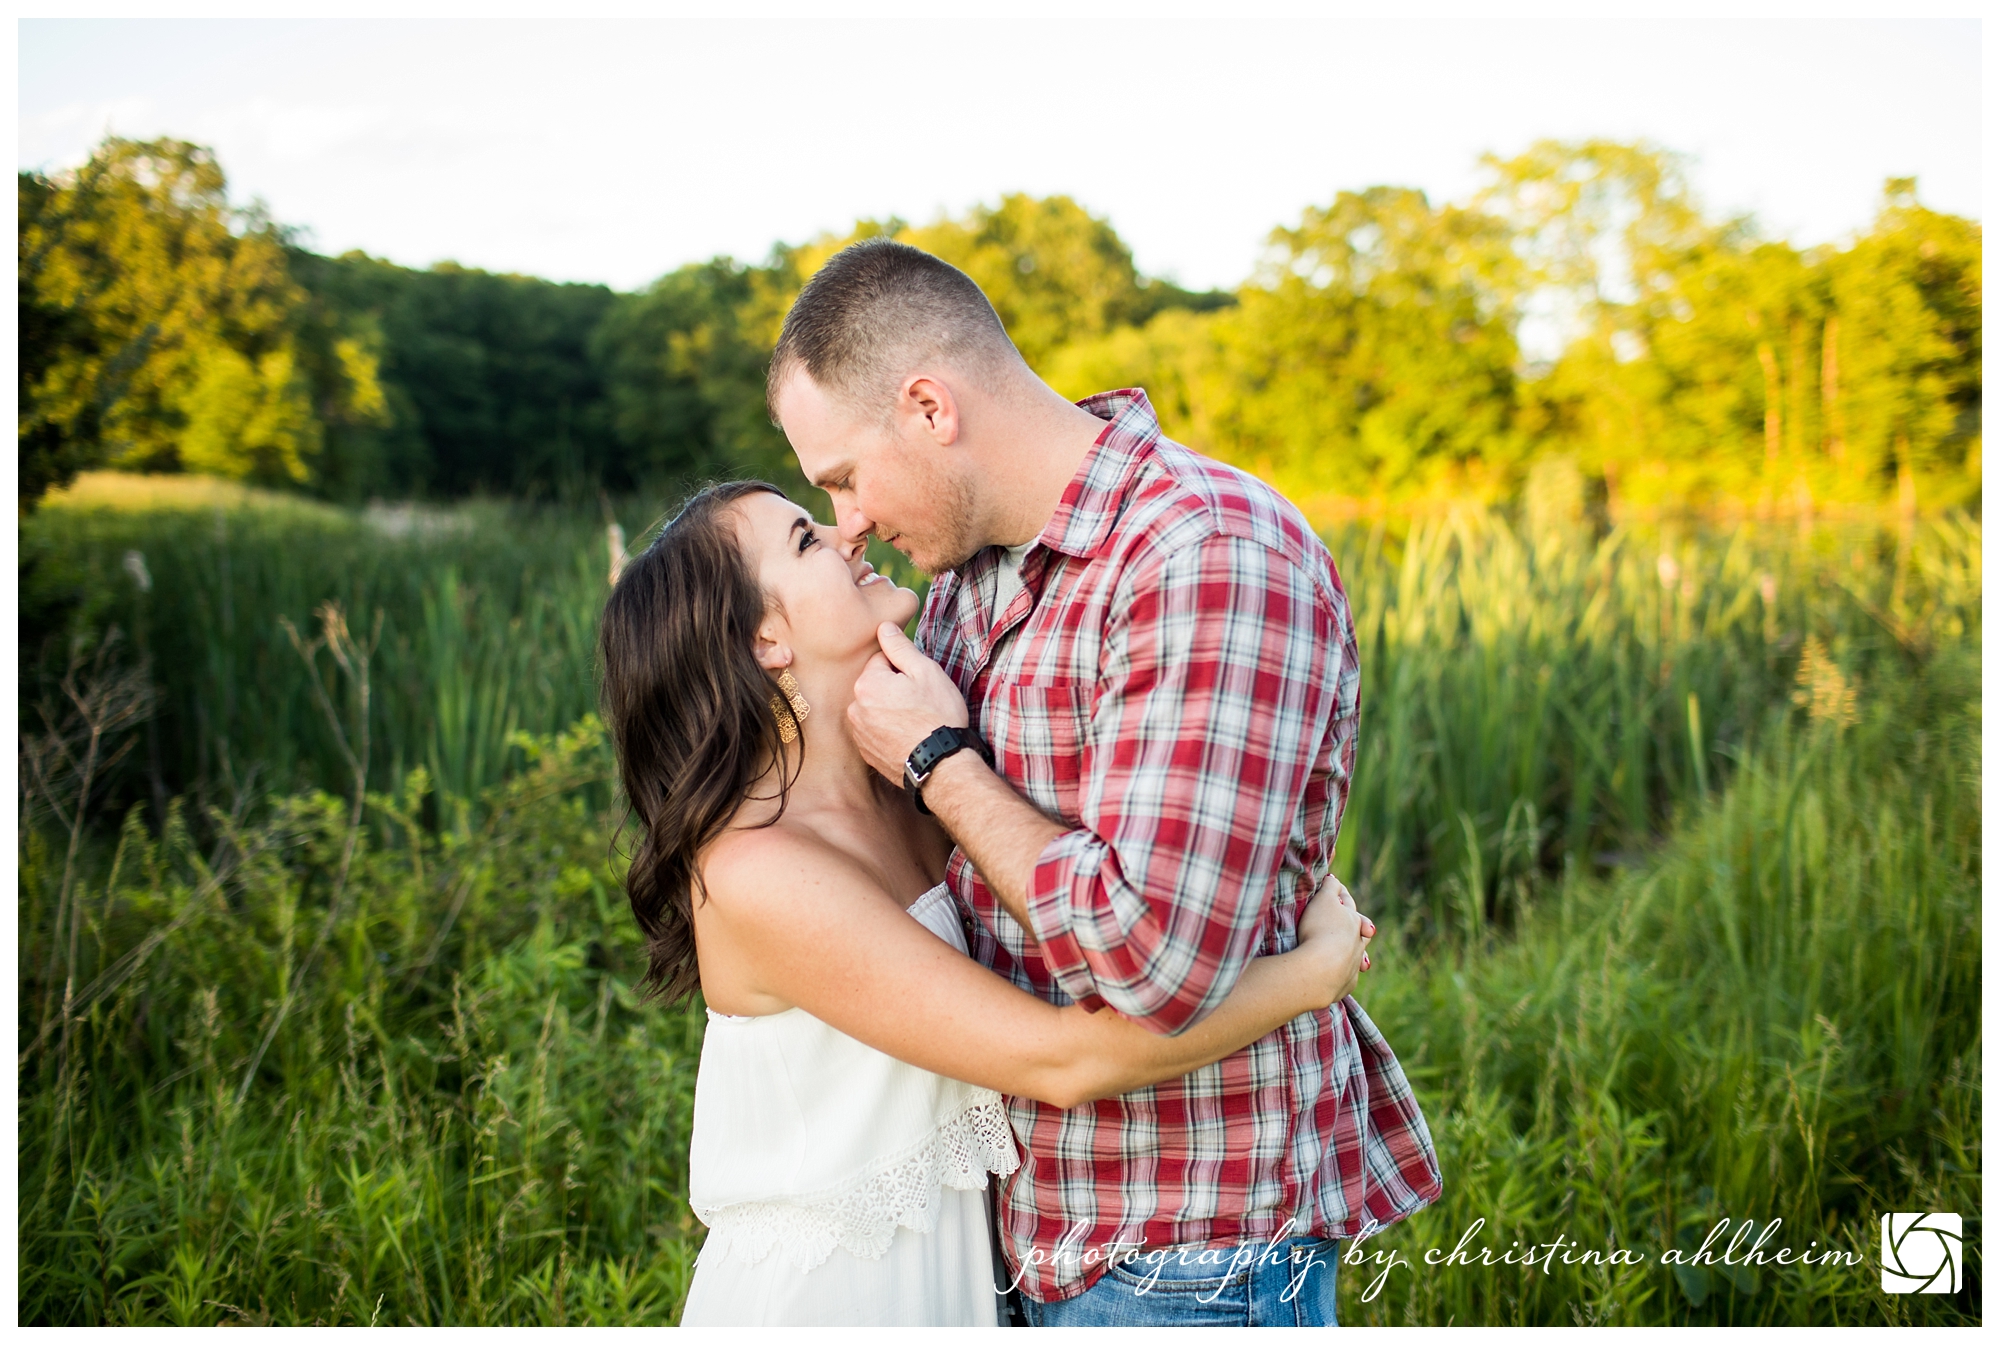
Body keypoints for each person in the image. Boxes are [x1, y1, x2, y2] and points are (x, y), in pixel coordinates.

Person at [767, 238, 1443, 1327]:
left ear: (930, 407)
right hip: (1022, 1230)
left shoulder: (1203, 554)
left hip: (1182, 1247)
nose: (849, 521)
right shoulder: (968, 576)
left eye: (842, 477)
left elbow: (1150, 959)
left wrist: (943, 765)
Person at [596, 480, 1376, 1327]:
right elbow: (1061, 1061)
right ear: (765, 636)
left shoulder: (908, 792)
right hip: (836, 1301)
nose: (849, 529)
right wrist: (1307, 976)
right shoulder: (758, 872)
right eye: (806, 539)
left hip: (966, 1277)